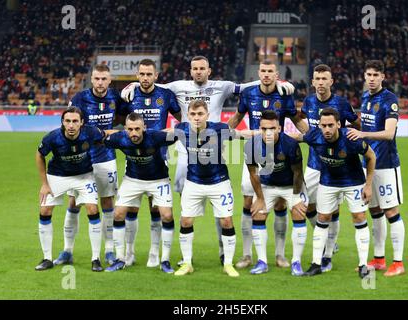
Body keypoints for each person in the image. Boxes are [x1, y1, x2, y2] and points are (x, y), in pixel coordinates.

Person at [121, 55, 295, 266]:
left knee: (217, 203)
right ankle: (187, 256)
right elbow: (152, 83)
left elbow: (244, 86)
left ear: (209, 70)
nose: (199, 71)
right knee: (185, 201)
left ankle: (223, 252)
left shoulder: (221, 86)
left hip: (214, 146)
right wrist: (131, 83)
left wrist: (279, 82)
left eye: (202, 68)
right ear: (190, 70)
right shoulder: (177, 86)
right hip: (186, 149)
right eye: (195, 68)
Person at [228, 60, 308, 269]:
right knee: (249, 204)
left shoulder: (284, 95)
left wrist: (312, 134)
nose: (266, 74)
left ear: (276, 74)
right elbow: (237, 117)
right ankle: (247, 255)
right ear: (258, 72)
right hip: (255, 152)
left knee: (281, 204)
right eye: (263, 71)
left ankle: (280, 255)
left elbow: (296, 119)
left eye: (270, 71)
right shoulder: (249, 94)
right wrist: (221, 133)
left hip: (280, 151)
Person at [53, 64, 127, 267]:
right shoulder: (79, 99)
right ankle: (67, 251)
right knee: (73, 204)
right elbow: (68, 125)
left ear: (109, 80)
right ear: (91, 79)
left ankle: (110, 250)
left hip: (106, 159)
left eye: (104, 79)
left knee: (107, 204)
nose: (100, 82)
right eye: (97, 78)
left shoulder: (115, 98)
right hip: (81, 161)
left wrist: (110, 133)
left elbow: (122, 120)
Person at [168, 100, 252, 277]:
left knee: (226, 221)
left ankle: (228, 264)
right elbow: (159, 135)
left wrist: (264, 133)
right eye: (193, 114)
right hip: (193, 182)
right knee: (185, 221)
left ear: (207, 115)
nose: (196, 118)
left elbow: (241, 134)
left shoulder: (219, 129)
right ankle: (187, 263)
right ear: (188, 115)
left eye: (200, 114)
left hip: (219, 181)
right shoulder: (182, 129)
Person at [116, 59, 181, 268]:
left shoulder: (165, 95)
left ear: (156, 76)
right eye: (141, 74)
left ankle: (155, 253)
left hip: (158, 158)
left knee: (156, 210)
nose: (145, 78)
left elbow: (181, 117)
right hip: (134, 160)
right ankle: (129, 252)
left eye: (149, 74)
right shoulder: (129, 95)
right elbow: (119, 120)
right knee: (131, 210)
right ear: (137, 75)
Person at [297, 107, 376, 278]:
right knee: (322, 218)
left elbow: (371, 156)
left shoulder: (351, 138)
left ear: (338, 124)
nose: (326, 129)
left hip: (353, 182)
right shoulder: (314, 136)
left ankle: (363, 265)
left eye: (330, 125)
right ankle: (316, 263)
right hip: (328, 182)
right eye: (323, 125)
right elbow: (296, 138)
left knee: (359, 218)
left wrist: (368, 185)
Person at [299, 64, 361, 272]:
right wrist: (308, 135)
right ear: (313, 81)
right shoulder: (308, 101)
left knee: (333, 210)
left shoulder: (341, 103)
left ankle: (327, 251)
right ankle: (325, 239)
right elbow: (301, 119)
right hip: (314, 164)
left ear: (331, 81)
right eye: (318, 78)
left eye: (325, 79)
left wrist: (352, 138)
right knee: (307, 206)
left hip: (336, 167)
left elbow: (356, 124)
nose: (321, 82)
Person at [347, 60, 406, 277]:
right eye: (368, 74)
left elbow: (389, 133)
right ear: (364, 76)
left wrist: (362, 134)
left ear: (383, 76)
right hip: (368, 164)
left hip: (387, 165)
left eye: (375, 75)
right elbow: (367, 125)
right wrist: (351, 128)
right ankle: (379, 259)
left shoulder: (389, 99)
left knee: (391, 211)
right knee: (374, 211)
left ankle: (398, 263)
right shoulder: (366, 97)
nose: (371, 78)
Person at [103, 112, 178, 273]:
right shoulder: (120, 138)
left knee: (166, 215)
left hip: (158, 179)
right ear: (125, 129)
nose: (134, 133)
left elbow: (178, 135)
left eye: (137, 129)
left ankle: (164, 259)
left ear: (144, 127)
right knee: (118, 214)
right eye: (130, 129)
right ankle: (120, 258)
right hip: (133, 179)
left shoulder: (156, 137)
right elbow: (102, 136)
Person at [35, 107, 107, 272]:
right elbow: (39, 155)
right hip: (58, 176)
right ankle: (47, 258)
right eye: (67, 121)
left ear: (82, 123)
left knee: (92, 209)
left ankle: (95, 258)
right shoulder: (53, 137)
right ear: (62, 122)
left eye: (75, 121)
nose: (71, 125)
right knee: (45, 211)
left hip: (84, 175)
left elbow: (105, 136)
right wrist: (44, 184)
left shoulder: (91, 132)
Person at [244, 110, 308, 276]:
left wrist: (295, 198)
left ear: (279, 128)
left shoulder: (290, 144)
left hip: (291, 186)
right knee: (257, 214)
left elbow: (298, 173)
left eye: (272, 128)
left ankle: (296, 262)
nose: (268, 132)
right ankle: (262, 261)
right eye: (264, 129)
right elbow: (253, 173)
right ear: (260, 128)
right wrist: (259, 198)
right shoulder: (251, 145)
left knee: (298, 213)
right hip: (268, 185)